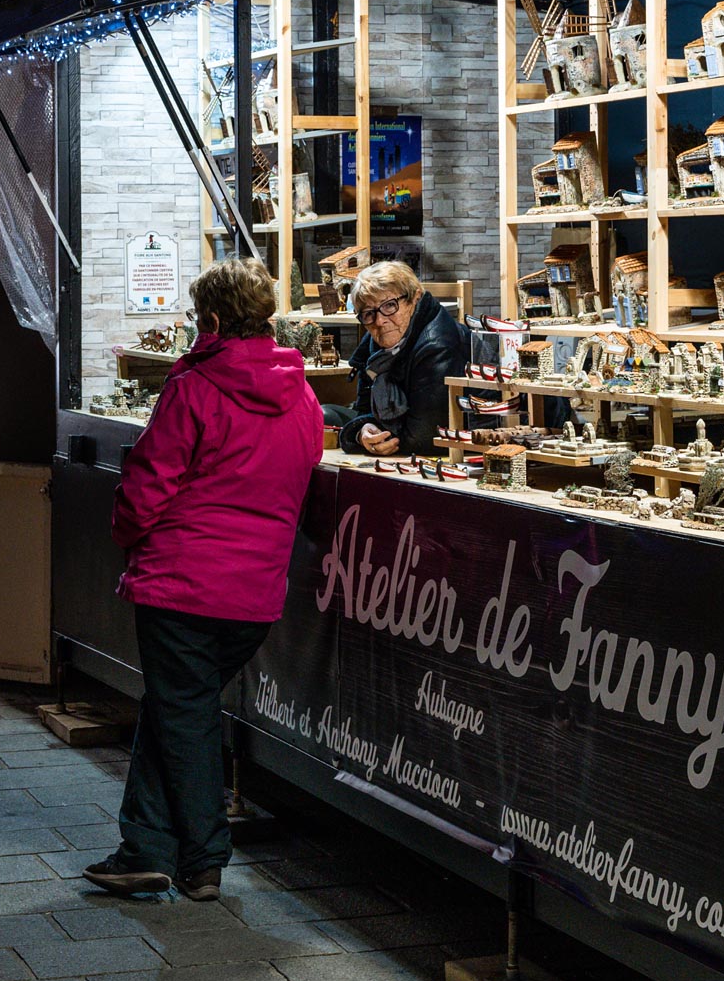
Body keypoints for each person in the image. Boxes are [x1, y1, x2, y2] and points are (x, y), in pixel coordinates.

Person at [85, 257, 325, 902]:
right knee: (177, 709)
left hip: (184, 581)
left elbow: (148, 483)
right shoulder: (302, 395)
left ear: (212, 320)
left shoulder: (193, 386)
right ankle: (145, 850)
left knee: (181, 713)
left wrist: (128, 535)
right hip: (255, 592)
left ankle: (201, 861)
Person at [327, 261, 468, 457]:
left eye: (390, 306)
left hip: (454, 448)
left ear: (414, 298)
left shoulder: (437, 345)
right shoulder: (376, 342)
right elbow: (363, 408)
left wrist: (362, 434)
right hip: (408, 436)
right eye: (368, 313)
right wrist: (362, 432)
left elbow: (424, 436)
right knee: (322, 414)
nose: (380, 321)